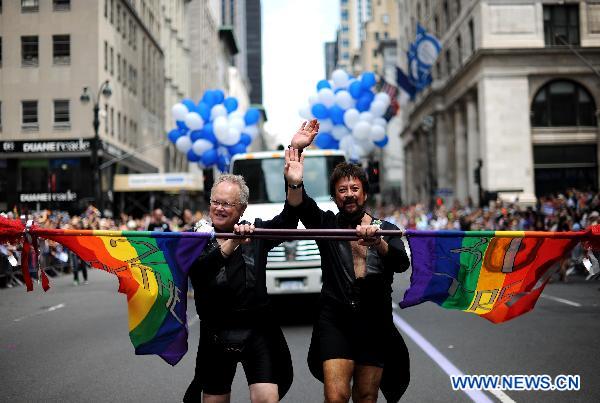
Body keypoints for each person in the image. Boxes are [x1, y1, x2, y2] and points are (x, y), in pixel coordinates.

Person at [286, 120, 411, 402]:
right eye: (343, 190)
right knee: (336, 396)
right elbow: (299, 204)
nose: (350, 194)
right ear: (335, 197)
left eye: (355, 188)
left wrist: (377, 242)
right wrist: (295, 173)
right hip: (335, 320)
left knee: (366, 396)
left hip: (375, 320)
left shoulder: (386, 228)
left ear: (365, 193)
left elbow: (401, 262)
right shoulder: (326, 225)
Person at [184, 147, 306, 403]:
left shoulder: (256, 231)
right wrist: (232, 244)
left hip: (257, 330)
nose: (218, 208)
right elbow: (200, 273)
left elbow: (288, 221)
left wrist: (294, 184)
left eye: (227, 204)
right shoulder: (194, 238)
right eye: (215, 202)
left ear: (241, 208)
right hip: (215, 334)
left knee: (266, 399)